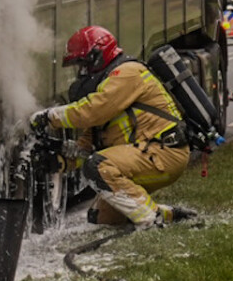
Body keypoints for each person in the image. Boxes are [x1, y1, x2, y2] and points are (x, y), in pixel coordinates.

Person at [30, 25, 190, 228]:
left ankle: (151, 220)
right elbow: (87, 147)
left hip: (164, 153)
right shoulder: (106, 84)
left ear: (97, 57)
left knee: (97, 166)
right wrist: (60, 161)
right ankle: (167, 214)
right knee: (101, 217)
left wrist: (50, 117)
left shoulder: (127, 73)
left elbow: (93, 110)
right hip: (148, 152)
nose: (81, 72)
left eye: (83, 64)